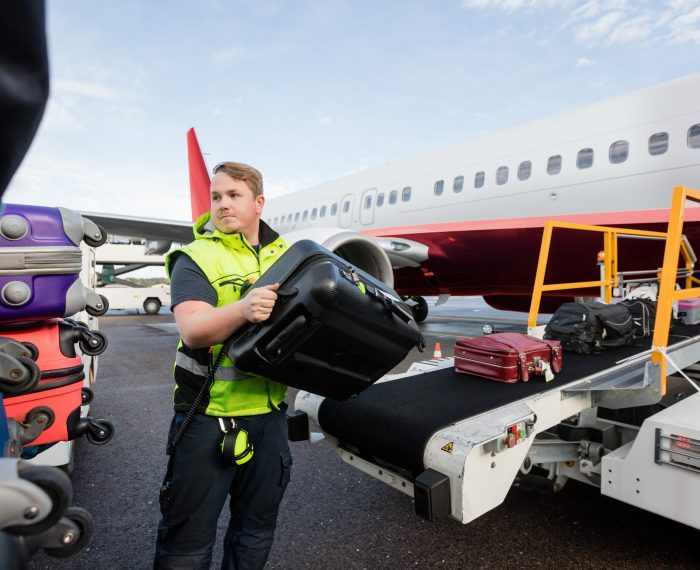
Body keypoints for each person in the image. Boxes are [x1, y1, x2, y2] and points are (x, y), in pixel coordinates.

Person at [154, 162, 292, 570]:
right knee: (187, 545)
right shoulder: (195, 256)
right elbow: (194, 329)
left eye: (234, 195)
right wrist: (245, 307)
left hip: (269, 419)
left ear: (259, 202)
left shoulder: (287, 256)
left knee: (255, 534)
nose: (222, 204)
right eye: (216, 197)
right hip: (206, 417)